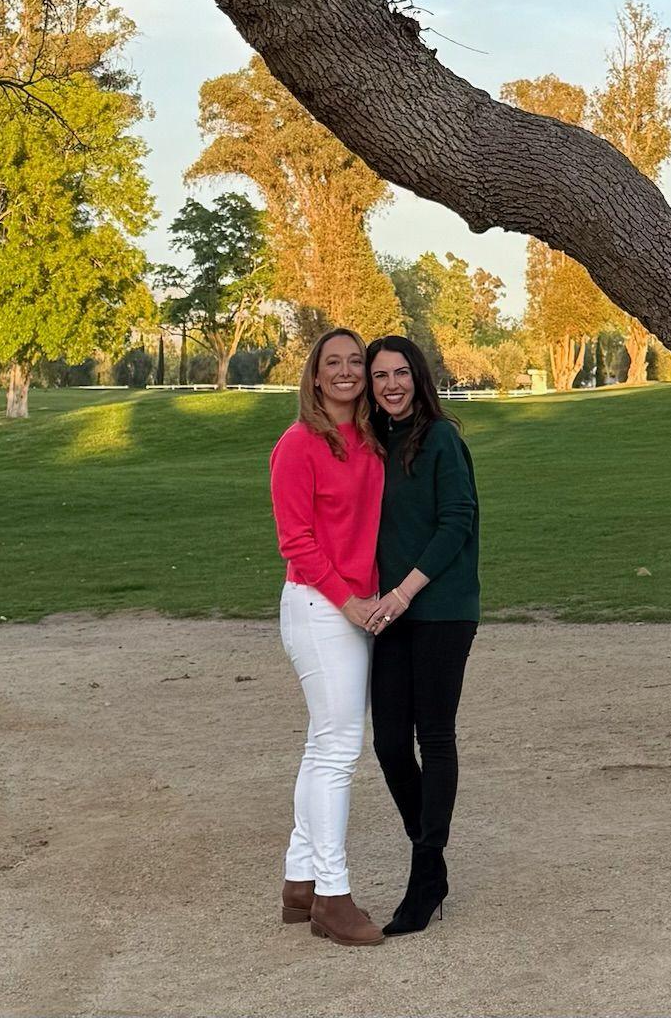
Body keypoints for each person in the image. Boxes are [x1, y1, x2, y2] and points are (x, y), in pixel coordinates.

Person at [269, 328, 389, 947]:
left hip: (353, 608)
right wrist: (350, 605)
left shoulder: (368, 440)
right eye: (332, 363)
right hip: (321, 607)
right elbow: (297, 542)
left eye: (354, 363)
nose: (345, 372)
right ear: (314, 377)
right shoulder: (298, 444)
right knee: (339, 750)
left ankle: (298, 882)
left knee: (325, 744)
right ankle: (332, 897)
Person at [364, 335, 481, 937]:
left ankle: (424, 868)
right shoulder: (369, 444)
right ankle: (430, 860)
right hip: (389, 612)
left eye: (401, 372)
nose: (391, 384)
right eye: (380, 374)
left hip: (440, 607)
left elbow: (456, 520)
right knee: (388, 743)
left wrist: (405, 590)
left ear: (419, 377)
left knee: (433, 734)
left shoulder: (441, 440)